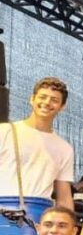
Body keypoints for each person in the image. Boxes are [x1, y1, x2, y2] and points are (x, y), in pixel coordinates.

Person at [0, 78, 74, 210]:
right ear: (32, 99)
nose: (47, 103)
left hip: (39, 215)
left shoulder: (64, 149)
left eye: (54, 100)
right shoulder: (5, 131)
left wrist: (67, 224)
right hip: (3, 209)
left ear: (62, 107)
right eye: (42, 97)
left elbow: (64, 197)